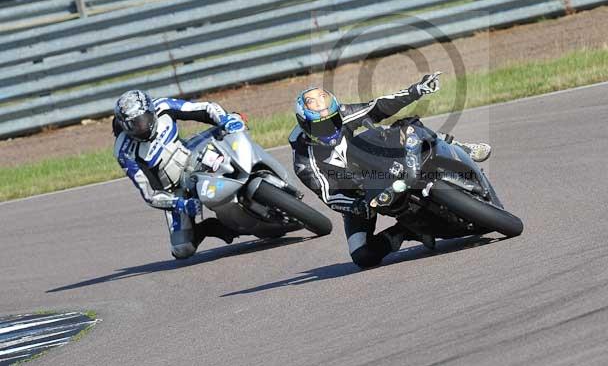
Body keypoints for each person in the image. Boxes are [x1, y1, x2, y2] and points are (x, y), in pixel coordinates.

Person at [289, 72, 492, 268]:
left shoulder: (343, 115)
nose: (329, 128)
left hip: (374, 164)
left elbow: (377, 107)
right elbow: (330, 195)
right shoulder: (304, 161)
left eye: (332, 120)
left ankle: (458, 146)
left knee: (397, 130)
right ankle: (404, 231)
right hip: (356, 196)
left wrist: (416, 90)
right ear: (304, 124)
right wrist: (359, 206)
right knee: (362, 256)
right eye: (320, 126)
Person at [112, 89, 244, 259]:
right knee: (182, 248)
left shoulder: (163, 106)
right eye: (133, 124)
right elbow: (150, 195)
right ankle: (216, 226)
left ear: (151, 110)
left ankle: (255, 169)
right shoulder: (124, 151)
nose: (141, 127)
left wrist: (225, 119)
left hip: (193, 155)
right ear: (123, 125)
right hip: (175, 190)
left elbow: (205, 108)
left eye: (143, 119)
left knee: (233, 124)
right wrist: (181, 204)